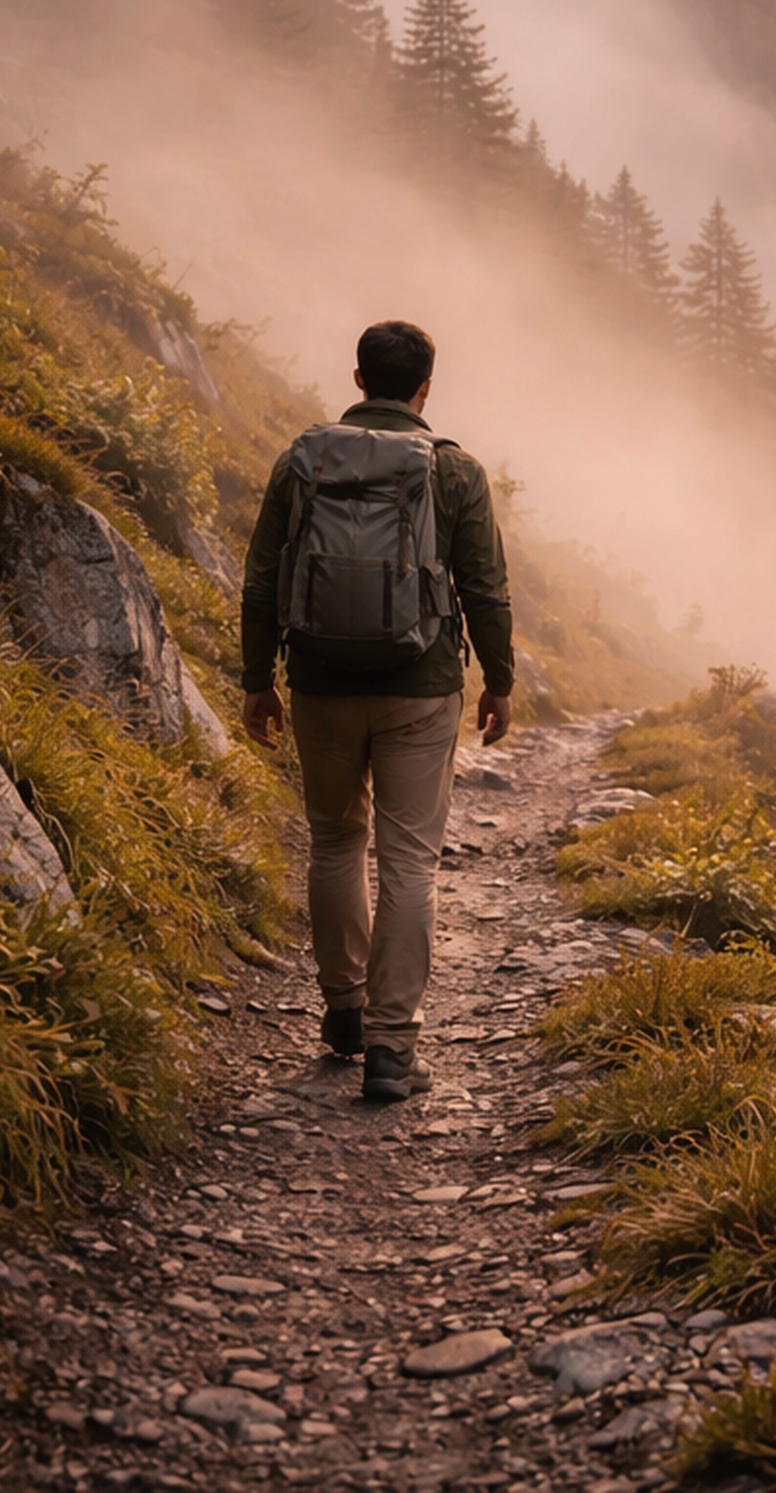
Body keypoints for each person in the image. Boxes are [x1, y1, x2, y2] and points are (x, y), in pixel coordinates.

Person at [241, 320, 513, 1102]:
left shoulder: (301, 462)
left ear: (358, 379)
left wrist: (258, 679)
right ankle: (393, 1049)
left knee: (334, 842)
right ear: (425, 387)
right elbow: (484, 588)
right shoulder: (454, 471)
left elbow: (261, 579)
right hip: (420, 689)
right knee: (409, 861)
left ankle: (345, 1014)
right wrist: (499, 680)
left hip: (319, 681)